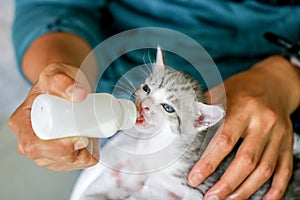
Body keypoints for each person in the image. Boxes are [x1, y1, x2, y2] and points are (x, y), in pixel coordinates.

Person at [9, 0, 300, 199]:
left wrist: (287, 72)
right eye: (148, 93)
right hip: (112, 81)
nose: (147, 103)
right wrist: (66, 78)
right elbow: (52, 8)